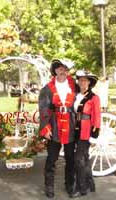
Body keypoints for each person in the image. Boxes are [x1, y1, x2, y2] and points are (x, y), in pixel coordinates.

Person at [38, 59, 76, 198]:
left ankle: (70, 184)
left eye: (65, 69)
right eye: (60, 68)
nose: (62, 71)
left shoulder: (74, 86)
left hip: (70, 126)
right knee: (52, 159)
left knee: (70, 158)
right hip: (54, 126)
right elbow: (43, 110)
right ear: (55, 70)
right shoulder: (47, 89)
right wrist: (45, 128)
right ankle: (49, 186)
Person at [70, 70, 101, 198]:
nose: (82, 82)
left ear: (89, 82)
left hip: (86, 131)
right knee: (85, 159)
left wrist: (95, 133)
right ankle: (90, 184)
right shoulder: (76, 96)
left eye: (85, 80)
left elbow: (97, 116)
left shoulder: (94, 98)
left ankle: (81, 188)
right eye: (80, 80)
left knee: (78, 159)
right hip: (75, 130)